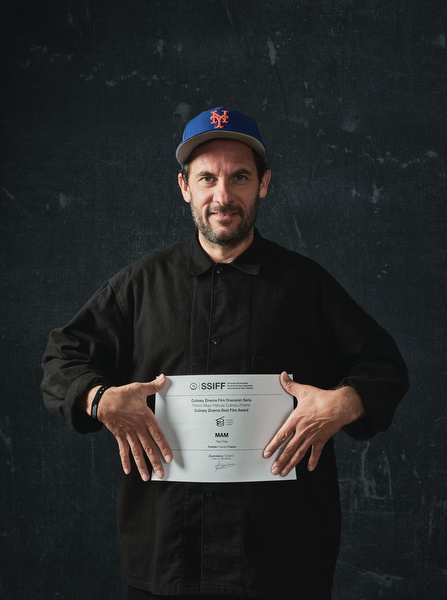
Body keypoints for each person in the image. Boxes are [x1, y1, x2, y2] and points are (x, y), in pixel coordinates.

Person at [41, 107, 409, 600]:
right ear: (184, 187)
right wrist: (99, 399)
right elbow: (62, 358)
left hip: (283, 562)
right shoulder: (140, 285)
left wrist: (346, 402)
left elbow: (384, 366)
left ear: (263, 184)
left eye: (239, 177)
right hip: (167, 559)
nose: (223, 196)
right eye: (207, 178)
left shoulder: (307, 286)